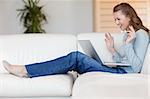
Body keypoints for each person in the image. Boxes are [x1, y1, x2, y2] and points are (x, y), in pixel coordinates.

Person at [3, 3, 149, 78]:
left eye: (119, 19)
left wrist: (129, 44)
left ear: (129, 16)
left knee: (75, 57)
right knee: (76, 58)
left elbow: (135, 69)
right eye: (114, 19)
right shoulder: (127, 35)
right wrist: (112, 49)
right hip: (117, 70)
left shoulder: (141, 34)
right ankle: (28, 70)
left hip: (123, 75)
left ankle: (25, 70)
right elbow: (125, 61)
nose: (116, 23)